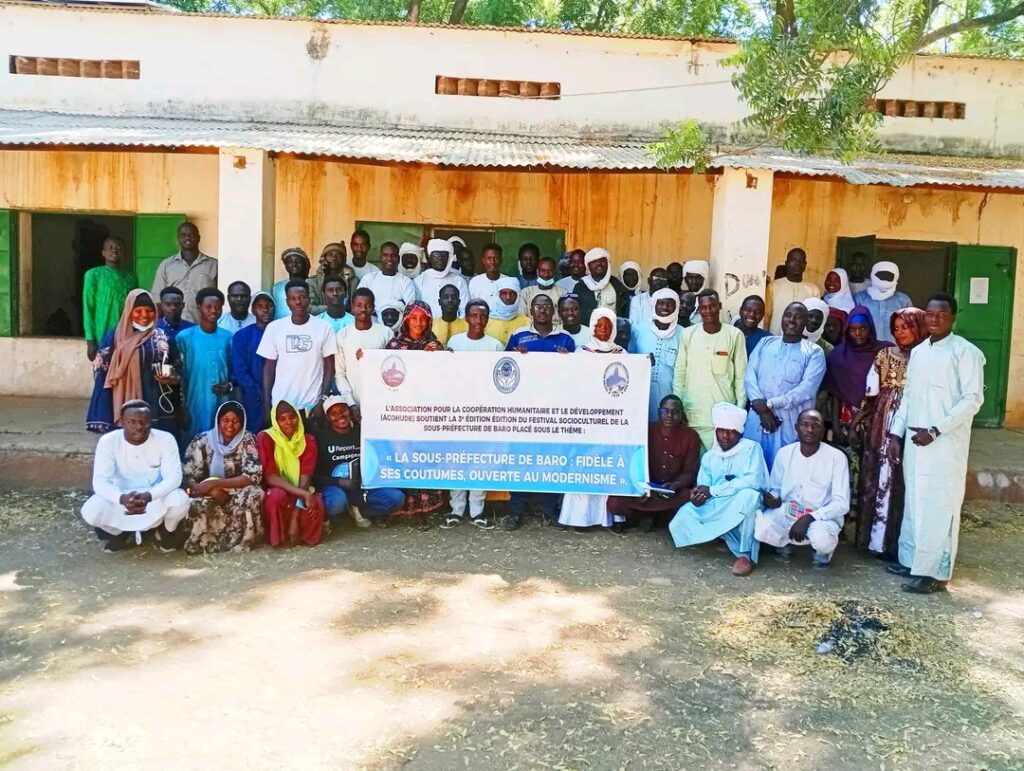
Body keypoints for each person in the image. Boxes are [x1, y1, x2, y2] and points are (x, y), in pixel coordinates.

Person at [886, 294, 985, 594]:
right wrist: (895, 434)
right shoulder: (919, 352)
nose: (934, 319)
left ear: (953, 317)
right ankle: (911, 561)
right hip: (915, 440)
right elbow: (908, 396)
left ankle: (934, 574)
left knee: (939, 505)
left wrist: (936, 430)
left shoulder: (966, 352)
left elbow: (972, 400)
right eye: (929, 314)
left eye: (941, 314)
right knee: (915, 501)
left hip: (944, 443)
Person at [854, 307, 927, 563]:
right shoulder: (884, 355)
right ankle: (877, 542)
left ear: (918, 327)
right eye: (896, 328)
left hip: (915, 423)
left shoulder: (926, 357)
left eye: (905, 327)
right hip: (883, 424)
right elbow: (870, 393)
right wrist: (857, 421)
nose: (900, 333)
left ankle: (901, 547)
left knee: (904, 481)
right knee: (880, 476)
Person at [668, 402, 768, 576]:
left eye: (731, 431)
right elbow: (703, 488)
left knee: (749, 496)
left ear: (739, 433)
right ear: (716, 432)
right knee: (683, 517)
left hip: (741, 503)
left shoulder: (751, 449)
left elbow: (754, 481)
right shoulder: (709, 457)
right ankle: (724, 536)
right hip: (717, 504)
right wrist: (697, 499)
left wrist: (713, 491)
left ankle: (745, 555)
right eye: (722, 430)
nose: (726, 436)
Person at [81, 399, 190, 552]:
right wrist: (122, 498)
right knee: (90, 511)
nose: (139, 427)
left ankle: (167, 532)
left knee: (180, 500)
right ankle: (119, 534)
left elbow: (174, 478)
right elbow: (100, 481)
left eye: (144, 422)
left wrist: (149, 496)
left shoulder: (165, 439)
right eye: (132, 422)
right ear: (121, 423)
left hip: (154, 498)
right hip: (121, 500)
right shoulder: (108, 442)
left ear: (151, 422)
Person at [558, 308, 626, 531]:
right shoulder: (581, 353)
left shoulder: (623, 354)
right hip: (586, 420)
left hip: (611, 420)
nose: (603, 329)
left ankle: (611, 517)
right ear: (592, 327)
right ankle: (581, 518)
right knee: (584, 466)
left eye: (608, 325)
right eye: (599, 325)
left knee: (609, 467)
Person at [755, 409, 850, 568]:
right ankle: (785, 543)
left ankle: (821, 553)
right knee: (761, 525)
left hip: (821, 517)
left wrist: (810, 517)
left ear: (823, 429)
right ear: (796, 428)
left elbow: (841, 503)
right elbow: (775, 489)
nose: (810, 430)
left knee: (822, 539)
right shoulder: (784, 453)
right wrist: (773, 499)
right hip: (789, 511)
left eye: (815, 425)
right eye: (805, 425)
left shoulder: (836, 457)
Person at [440, 301, 501, 531]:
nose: (478, 320)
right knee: (456, 459)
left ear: (488, 319)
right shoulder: (455, 343)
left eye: (483, 316)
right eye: (474, 315)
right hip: (457, 410)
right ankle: (456, 509)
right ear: (466, 317)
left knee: (480, 461)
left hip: (484, 411)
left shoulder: (495, 345)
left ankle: (477, 510)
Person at [743, 302, 826, 469]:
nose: (792, 320)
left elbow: (806, 389)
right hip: (757, 417)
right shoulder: (765, 343)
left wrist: (769, 405)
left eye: (798, 317)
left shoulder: (814, 352)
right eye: (788, 315)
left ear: (805, 323)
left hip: (789, 422)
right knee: (752, 465)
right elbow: (750, 376)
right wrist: (761, 407)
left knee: (784, 468)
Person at [386, 302, 447, 526]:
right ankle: (396, 508)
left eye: (423, 318)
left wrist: (437, 356)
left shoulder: (435, 344)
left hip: (425, 412)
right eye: (414, 318)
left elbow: (445, 374)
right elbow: (382, 370)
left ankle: (422, 509)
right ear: (406, 320)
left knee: (422, 459)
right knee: (400, 458)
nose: (419, 323)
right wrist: (365, 358)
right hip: (400, 412)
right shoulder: (394, 345)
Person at [86, 289, 178, 435]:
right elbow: (103, 373)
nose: (144, 315)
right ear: (129, 311)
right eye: (138, 311)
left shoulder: (162, 337)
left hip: (155, 402)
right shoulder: (114, 337)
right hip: (121, 400)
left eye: (149, 311)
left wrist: (172, 378)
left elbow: (176, 366)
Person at [181, 401, 265, 554]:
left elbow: (252, 476)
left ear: (242, 423)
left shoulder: (247, 439)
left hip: (235, 492)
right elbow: (187, 477)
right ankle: (206, 543)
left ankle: (243, 540)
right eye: (225, 420)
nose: (230, 425)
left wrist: (217, 485)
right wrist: (210, 491)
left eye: (236, 421)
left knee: (254, 493)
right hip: (206, 493)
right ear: (218, 421)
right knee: (193, 502)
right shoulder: (202, 440)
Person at [607, 395, 701, 531]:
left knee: (688, 497)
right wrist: (639, 488)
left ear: (682, 414)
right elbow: (632, 464)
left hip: (672, 491)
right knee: (615, 502)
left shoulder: (691, 436)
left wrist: (675, 485)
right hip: (646, 491)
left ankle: (653, 518)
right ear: (658, 412)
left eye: (675, 412)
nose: (669, 416)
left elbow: (690, 471)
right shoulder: (645, 431)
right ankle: (645, 517)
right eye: (665, 411)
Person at [671, 290, 747, 451]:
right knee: (694, 462)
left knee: (720, 462)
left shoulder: (734, 335)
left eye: (712, 306)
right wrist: (679, 406)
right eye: (703, 307)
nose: (708, 311)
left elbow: (741, 376)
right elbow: (680, 373)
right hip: (693, 413)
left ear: (719, 306)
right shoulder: (688, 334)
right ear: (698, 310)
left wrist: (738, 411)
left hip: (724, 416)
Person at [313, 396, 405, 528]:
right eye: (334, 413)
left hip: (362, 487)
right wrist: (339, 482)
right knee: (336, 503)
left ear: (349, 411)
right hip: (336, 487)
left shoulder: (361, 433)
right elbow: (315, 476)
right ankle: (345, 509)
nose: (340, 415)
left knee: (397, 497)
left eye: (343, 410)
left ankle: (360, 510)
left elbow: (377, 459)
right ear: (328, 418)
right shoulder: (321, 438)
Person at [258, 280, 336, 420]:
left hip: (311, 406)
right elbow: (268, 368)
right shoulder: (274, 328)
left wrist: (322, 399)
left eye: (302, 297)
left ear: (309, 299)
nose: (298, 302)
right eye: (293, 298)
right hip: (282, 406)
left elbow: (330, 366)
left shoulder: (324, 327)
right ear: (287, 302)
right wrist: (267, 403)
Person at [257, 400, 325, 547]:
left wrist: (296, 514)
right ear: (275, 422)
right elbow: (270, 477)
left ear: (298, 417)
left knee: (315, 505)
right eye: (282, 419)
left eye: (292, 417)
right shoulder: (266, 438)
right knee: (276, 497)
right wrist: (304, 494)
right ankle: (279, 538)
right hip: (278, 488)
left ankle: (302, 537)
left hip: (299, 489)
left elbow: (304, 482)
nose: (289, 422)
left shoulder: (307, 440)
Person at [822, 306, 892, 442]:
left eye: (863, 328)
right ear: (846, 330)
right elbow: (835, 394)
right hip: (845, 419)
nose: (858, 333)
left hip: (876, 417)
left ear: (870, 328)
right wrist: (836, 427)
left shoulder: (884, 351)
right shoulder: (838, 354)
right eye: (853, 329)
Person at [175, 288, 234, 439]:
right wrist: (181, 407)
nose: (213, 310)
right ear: (199, 307)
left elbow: (233, 371)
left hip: (221, 401)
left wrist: (229, 385)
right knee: (193, 442)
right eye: (208, 306)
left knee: (220, 440)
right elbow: (178, 375)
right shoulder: (185, 337)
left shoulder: (228, 338)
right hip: (194, 401)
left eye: (217, 307)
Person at [335, 288, 395, 407]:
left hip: (380, 401)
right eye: (358, 305)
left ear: (373, 308)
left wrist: (370, 357)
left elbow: (392, 365)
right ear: (352, 307)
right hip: (353, 402)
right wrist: (350, 403)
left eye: (368, 306)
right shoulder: (342, 335)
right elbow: (340, 373)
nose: (363, 309)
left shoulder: (386, 333)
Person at [82, 236, 138, 362]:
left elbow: (135, 307)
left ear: (123, 252)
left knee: (123, 370)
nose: (114, 250)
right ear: (103, 252)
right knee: (102, 370)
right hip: (102, 333)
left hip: (126, 335)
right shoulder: (93, 275)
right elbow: (88, 307)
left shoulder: (131, 277)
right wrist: (90, 340)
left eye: (118, 248)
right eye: (110, 247)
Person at [630, 289, 682, 422]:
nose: (665, 307)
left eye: (670, 304)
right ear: (654, 305)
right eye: (661, 303)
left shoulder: (683, 334)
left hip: (669, 405)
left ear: (676, 306)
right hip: (639, 398)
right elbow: (628, 360)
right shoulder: (638, 330)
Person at [151, 222, 217, 324]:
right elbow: (158, 300)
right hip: (173, 326)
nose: (187, 238)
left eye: (191, 234)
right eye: (183, 235)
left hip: (202, 326)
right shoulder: (166, 265)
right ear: (178, 239)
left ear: (199, 238)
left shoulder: (213, 265)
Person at [231, 292, 275, 433]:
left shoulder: (282, 333)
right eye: (260, 306)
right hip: (252, 397)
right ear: (253, 310)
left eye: (269, 306)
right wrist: (259, 391)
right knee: (254, 436)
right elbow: (240, 371)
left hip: (279, 395)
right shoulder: (242, 336)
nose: (265, 310)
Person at [853, 261, 913, 344]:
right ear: (872, 275)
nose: (884, 279)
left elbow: (910, 327)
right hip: (866, 348)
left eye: (889, 276)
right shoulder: (860, 298)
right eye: (881, 275)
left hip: (894, 348)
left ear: (896, 277)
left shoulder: (903, 300)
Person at [768, 248, 820, 334]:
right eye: (793, 260)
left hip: (802, 339)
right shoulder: (774, 286)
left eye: (801, 261)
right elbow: (767, 316)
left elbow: (815, 318)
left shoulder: (813, 290)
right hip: (776, 337)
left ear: (805, 264)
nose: (797, 263)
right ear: (786, 263)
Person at [414, 239, 469, 318]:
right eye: (436, 254)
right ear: (430, 257)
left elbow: (464, 311)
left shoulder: (459, 281)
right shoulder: (419, 281)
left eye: (444, 255)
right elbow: (416, 309)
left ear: (449, 258)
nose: (440, 258)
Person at [573, 247, 630, 322]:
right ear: (588, 266)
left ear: (608, 263)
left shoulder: (615, 283)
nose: (599, 264)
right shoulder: (580, 287)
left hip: (614, 327)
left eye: (602, 260)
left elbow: (625, 309)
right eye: (594, 261)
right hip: (588, 328)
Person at [506, 295, 576, 354]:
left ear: (553, 311)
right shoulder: (518, 335)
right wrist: (515, 354)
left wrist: (566, 356)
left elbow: (573, 363)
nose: (542, 311)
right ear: (531, 311)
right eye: (538, 307)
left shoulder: (566, 337)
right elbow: (507, 360)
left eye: (547, 307)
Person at [359, 241, 417, 311]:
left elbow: (410, 309)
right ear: (380, 257)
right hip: (372, 317)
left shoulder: (406, 282)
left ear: (399, 259)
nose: (389, 259)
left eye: (393, 255)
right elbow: (360, 303)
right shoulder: (368, 279)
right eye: (385, 255)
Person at [520, 257, 566, 326]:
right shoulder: (526, 293)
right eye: (543, 271)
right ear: (537, 272)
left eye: (550, 271)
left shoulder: (562, 293)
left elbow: (565, 317)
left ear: (554, 273)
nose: (546, 274)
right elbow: (522, 318)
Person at [485, 277, 530, 345]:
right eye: (504, 293)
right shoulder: (484, 321)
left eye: (512, 293)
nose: (508, 297)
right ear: (497, 295)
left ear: (518, 295)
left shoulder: (527, 322)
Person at [271, 247, 312, 320]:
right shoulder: (277, 288)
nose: (294, 264)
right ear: (285, 265)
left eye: (298, 261)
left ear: (304, 264)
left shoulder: (312, 284)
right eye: (290, 261)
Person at [309, 242, 349, 314]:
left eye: (338, 255)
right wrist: (334, 308)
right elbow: (310, 308)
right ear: (324, 258)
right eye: (330, 255)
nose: (334, 258)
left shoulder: (352, 280)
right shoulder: (312, 282)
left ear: (344, 259)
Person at [468, 243, 509, 310]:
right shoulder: (474, 282)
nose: (492, 262)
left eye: (495, 258)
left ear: (501, 260)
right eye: (489, 258)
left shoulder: (509, 282)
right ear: (483, 261)